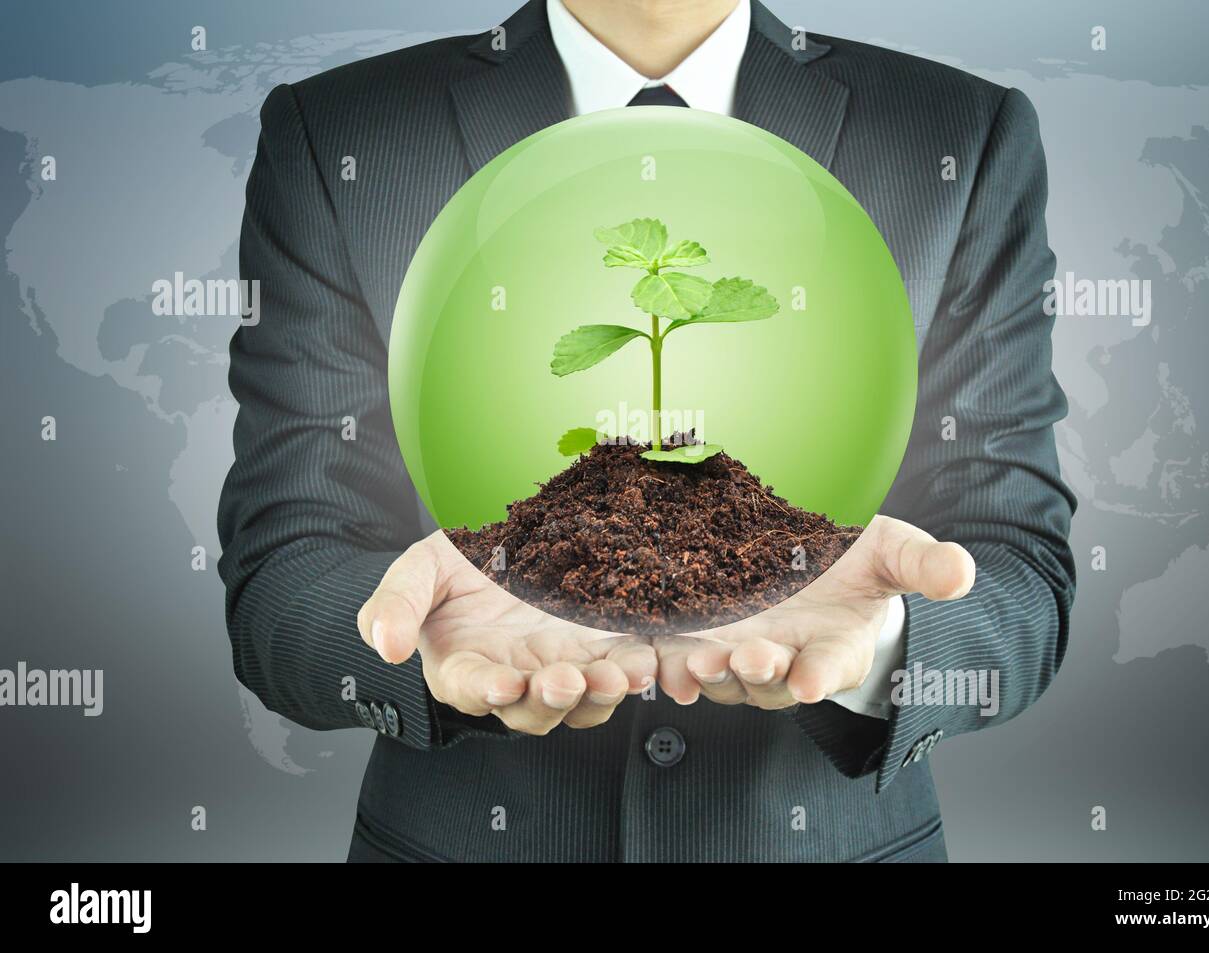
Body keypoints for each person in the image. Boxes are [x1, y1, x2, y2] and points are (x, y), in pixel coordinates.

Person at [217, 0, 1076, 862]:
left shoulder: (952, 133)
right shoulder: (348, 134)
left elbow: (1019, 567)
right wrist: (424, 651)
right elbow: (283, 570)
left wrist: (883, 641)